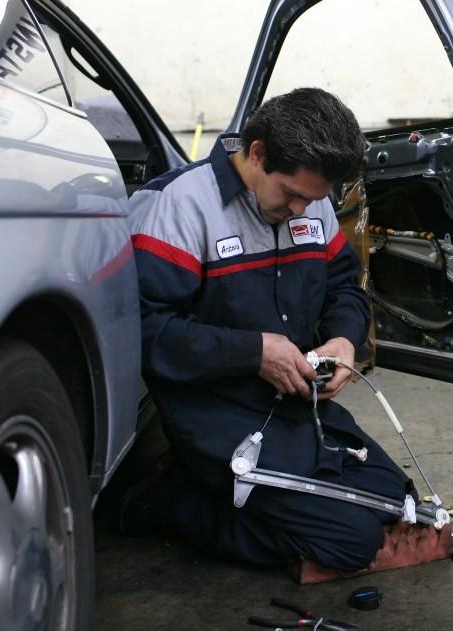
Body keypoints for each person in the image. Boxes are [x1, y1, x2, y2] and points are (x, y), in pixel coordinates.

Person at [120, 87, 416, 572]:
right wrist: (254, 353)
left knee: (395, 499)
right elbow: (146, 332)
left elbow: (346, 286)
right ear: (257, 153)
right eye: (293, 195)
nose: (302, 211)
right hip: (216, 415)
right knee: (352, 542)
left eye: (314, 200)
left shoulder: (310, 201)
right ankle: (177, 504)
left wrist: (344, 338)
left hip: (295, 407)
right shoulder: (180, 207)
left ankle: (221, 492)